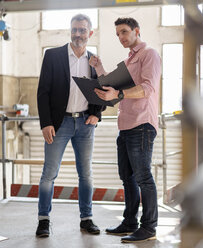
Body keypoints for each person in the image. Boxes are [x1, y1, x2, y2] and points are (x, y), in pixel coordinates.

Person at [90, 17, 161, 243]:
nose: (121, 37)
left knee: (143, 177)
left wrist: (119, 94)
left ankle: (149, 227)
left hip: (142, 124)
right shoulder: (130, 59)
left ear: (136, 31)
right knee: (127, 177)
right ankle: (129, 222)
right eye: (117, 34)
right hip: (126, 125)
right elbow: (115, 87)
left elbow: (148, 88)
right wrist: (99, 69)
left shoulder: (149, 54)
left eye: (124, 32)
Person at [36, 14, 105, 237]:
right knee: (49, 173)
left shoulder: (94, 60)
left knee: (86, 174)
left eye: (82, 30)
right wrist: (45, 123)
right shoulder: (53, 55)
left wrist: (97, 114)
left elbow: (102, 92)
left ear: (90, 33)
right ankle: (44, 220)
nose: (78, 34)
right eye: (74, 29)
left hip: (85, 124)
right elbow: (42, 92)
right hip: (59, 123)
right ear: (70, 30)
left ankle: (86, 218)